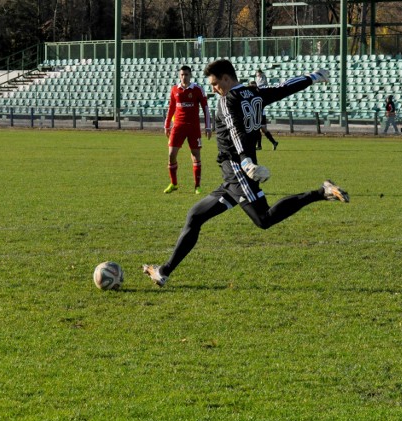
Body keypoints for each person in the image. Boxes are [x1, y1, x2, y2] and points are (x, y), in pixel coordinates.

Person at [142, 59, 349, 287]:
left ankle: (322, 192)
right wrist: (313, 77)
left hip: (237, 169)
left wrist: (246, 162)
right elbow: (284, 88)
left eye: (214, 84)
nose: (213, 89)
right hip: (231, 174)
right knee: (195, 216)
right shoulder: (255, 93)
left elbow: (235, 130)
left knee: (264, 219)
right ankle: (164, 271)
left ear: (226, 79)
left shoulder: (227, 101)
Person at [163, 65, 212, 195]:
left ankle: (197, 186)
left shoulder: (197, 89)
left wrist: (208, 126)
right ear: (179, 76)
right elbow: (171, 108)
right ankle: (174, 183)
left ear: (190, 75)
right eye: (182, 75)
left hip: (193, 128)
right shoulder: (174, 90)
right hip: (178, 127)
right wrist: (167, 125)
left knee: (196, 156)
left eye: (186, 74)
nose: (184, 77)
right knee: (171, 155)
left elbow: (206, 108)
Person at [249, 80, 279, 150]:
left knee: (260, 129)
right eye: (251, 85)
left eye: (253, 85)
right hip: (258, 114)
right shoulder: (252, 93)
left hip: (260, 114)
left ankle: (260, 145)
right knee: (262, 129)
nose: (252, 87)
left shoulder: (258, 92)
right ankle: (273, 142)